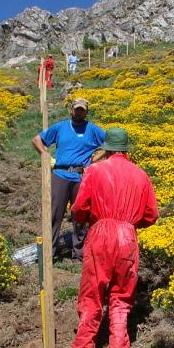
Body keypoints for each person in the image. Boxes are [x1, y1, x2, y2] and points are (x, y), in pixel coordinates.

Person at [69, 127, 159, 348]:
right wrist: (129, 223)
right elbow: (151, 215)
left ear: (107, 148)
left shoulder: (95, 170)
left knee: (92, 296)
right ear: (126, 149)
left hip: (100, 233)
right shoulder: (141, 175)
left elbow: (79, 208)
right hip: (127, 237)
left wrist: (86, 219)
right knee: (121, 297)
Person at [32, 98, 106, 261]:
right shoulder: (60, 127)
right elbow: (37, 140)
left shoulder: (93, 129)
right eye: (76, 109)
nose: (79, 112)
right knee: (53, 213)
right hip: (60, 174)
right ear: (71, 110)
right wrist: (45, 155)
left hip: (81, 177)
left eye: (82, 110)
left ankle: (79, 252)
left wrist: (95, 159)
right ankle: (49, 251)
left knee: (81, 214)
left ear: (86, 112)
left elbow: (109, 143)